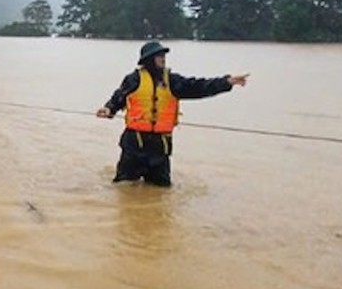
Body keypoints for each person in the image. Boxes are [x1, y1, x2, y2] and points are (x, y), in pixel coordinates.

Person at [96, 41, 249, 186]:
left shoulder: (173, 81)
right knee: (124, 188)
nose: (163, 59)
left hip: (160, 148)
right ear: (149, 59)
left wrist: (227, 82)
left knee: (161, 191)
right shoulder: (133, 79)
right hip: (134, 145)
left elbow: (199, 87)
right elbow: (118, 98)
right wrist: (108, 109)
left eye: (164, 56)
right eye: (159, 56)